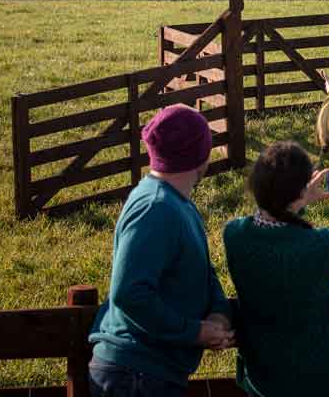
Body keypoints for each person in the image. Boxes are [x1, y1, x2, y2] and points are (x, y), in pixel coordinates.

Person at [88, 104, 234, 397]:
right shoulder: (155, 208)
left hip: (148, 373)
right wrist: (193, 331)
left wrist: (219, 313)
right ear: (199, 155)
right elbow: (130, 293)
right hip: (135, 376)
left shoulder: (176, 203)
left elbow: (199, 270)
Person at [223, 141, 329, 397]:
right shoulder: (319, 246)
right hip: (315, 378)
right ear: (297, 191)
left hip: (262, 376)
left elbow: (273, 222)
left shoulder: (234, 235)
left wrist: (297, 201)